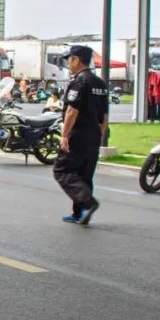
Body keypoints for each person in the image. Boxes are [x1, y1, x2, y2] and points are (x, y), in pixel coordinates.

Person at [54, 45, 108, 225]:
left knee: (62, 170)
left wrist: (64, 135)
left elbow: (72, 110)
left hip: (77, 134)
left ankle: (87, 203)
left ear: (76, 60)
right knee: (84, 175)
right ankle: (80, 213)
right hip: (93, 134)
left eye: (69, 60)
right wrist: (99, 135)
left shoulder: (79, 81)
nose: (68, 64)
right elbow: (104, 116)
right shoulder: (100, 83)